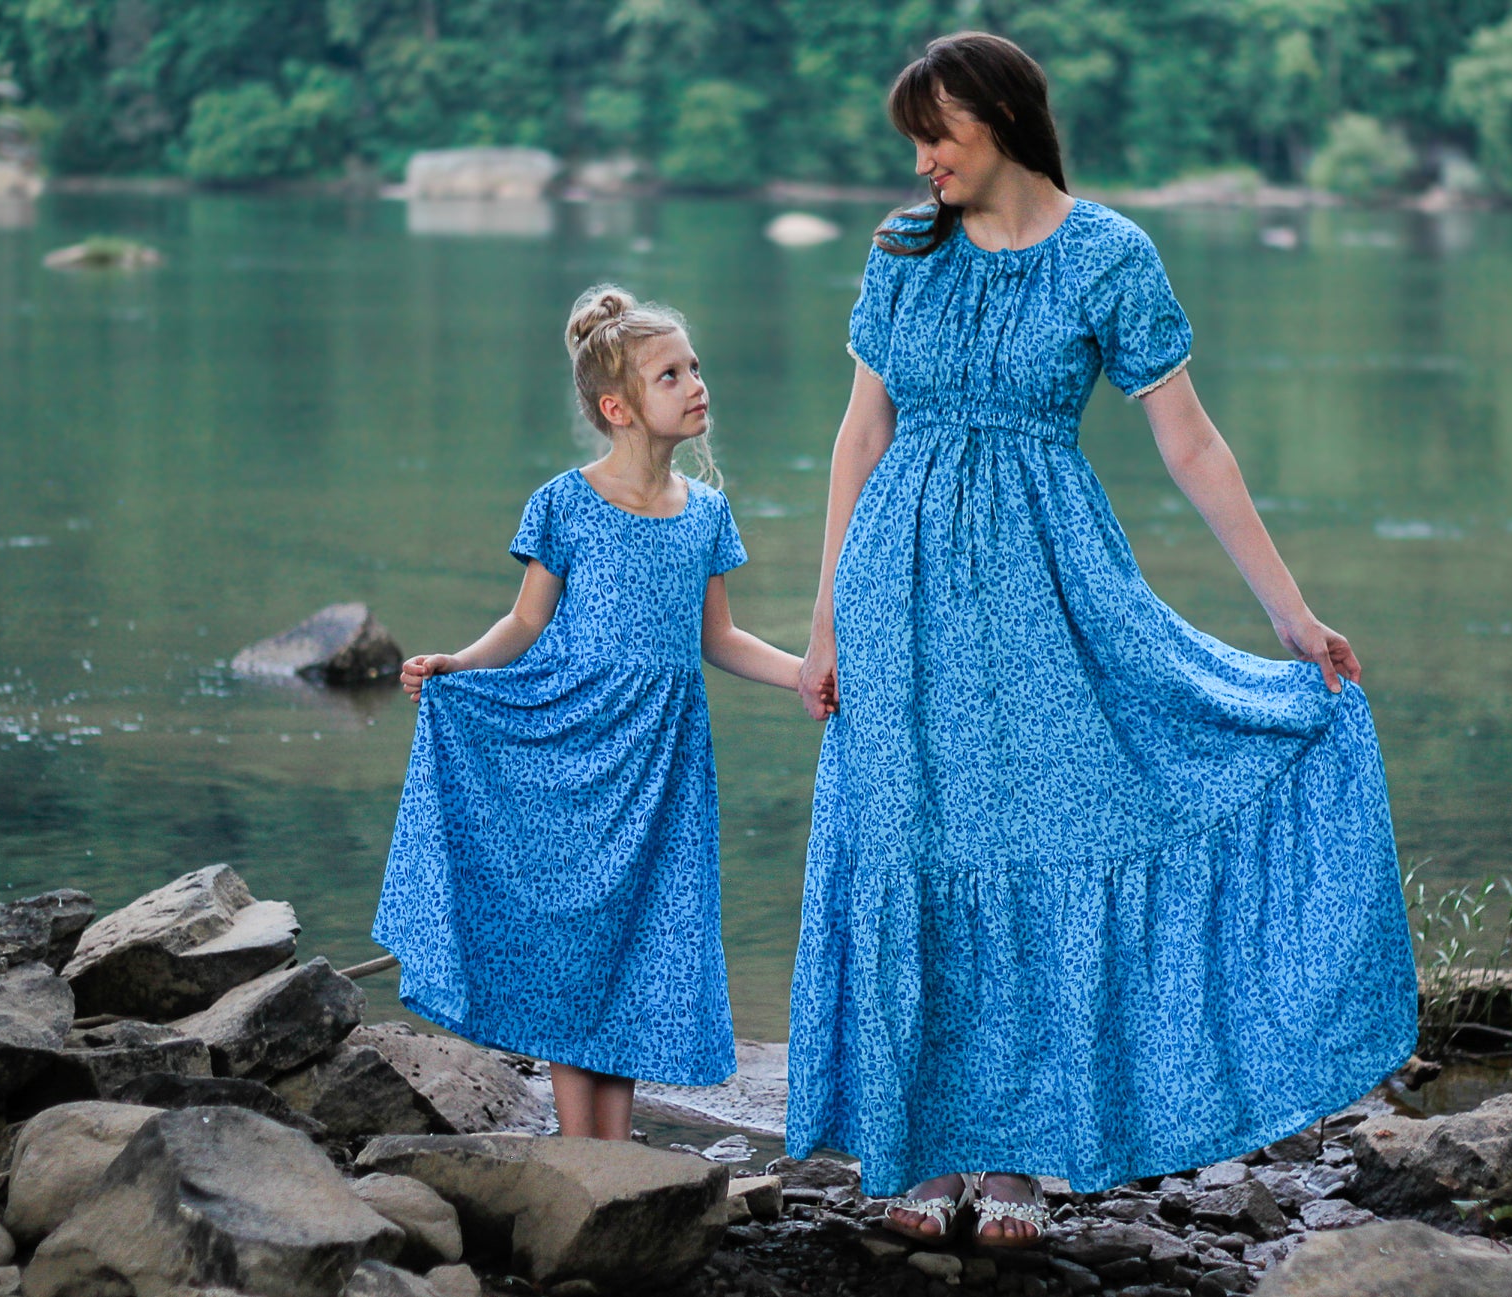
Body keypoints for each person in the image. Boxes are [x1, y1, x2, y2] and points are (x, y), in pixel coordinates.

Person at [786, 32, 1418, 1246]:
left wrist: (1288, 613)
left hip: (1047, 594)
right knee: (914, 840)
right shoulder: (901, 247)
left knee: (1034, 840)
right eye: (914, 140)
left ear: (1003, 121)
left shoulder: (1108, 255)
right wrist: (821, 625)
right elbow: (856, 439)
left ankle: (1018, 1157)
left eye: (940, 135)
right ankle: (918, 1145)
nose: (922, 161)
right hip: (896, 593)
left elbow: (1189, 444)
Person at [373, 285, 807, 1140]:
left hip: (666, 763)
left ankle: (612, 1142)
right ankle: (582, 1148)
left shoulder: (707, 514)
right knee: (580, 939)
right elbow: (526, 621)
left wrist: (808, 676)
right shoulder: (565, 503)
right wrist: (458, 664)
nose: (695, 383)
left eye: (695, 366)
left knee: (642, 932)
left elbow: (719, 637)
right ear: (617, 407)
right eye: (670, 374)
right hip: (576, 747)